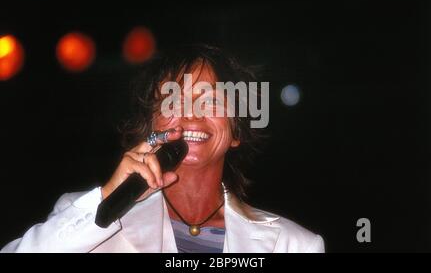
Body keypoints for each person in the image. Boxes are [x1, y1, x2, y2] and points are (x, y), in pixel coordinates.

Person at [1, 44, 324, 253]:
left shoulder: (294, 245)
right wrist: (108, 200)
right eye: (174, 101)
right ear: (151, 127)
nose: (192, 115)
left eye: (211, 100)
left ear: (236, 131)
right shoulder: (94, 219)